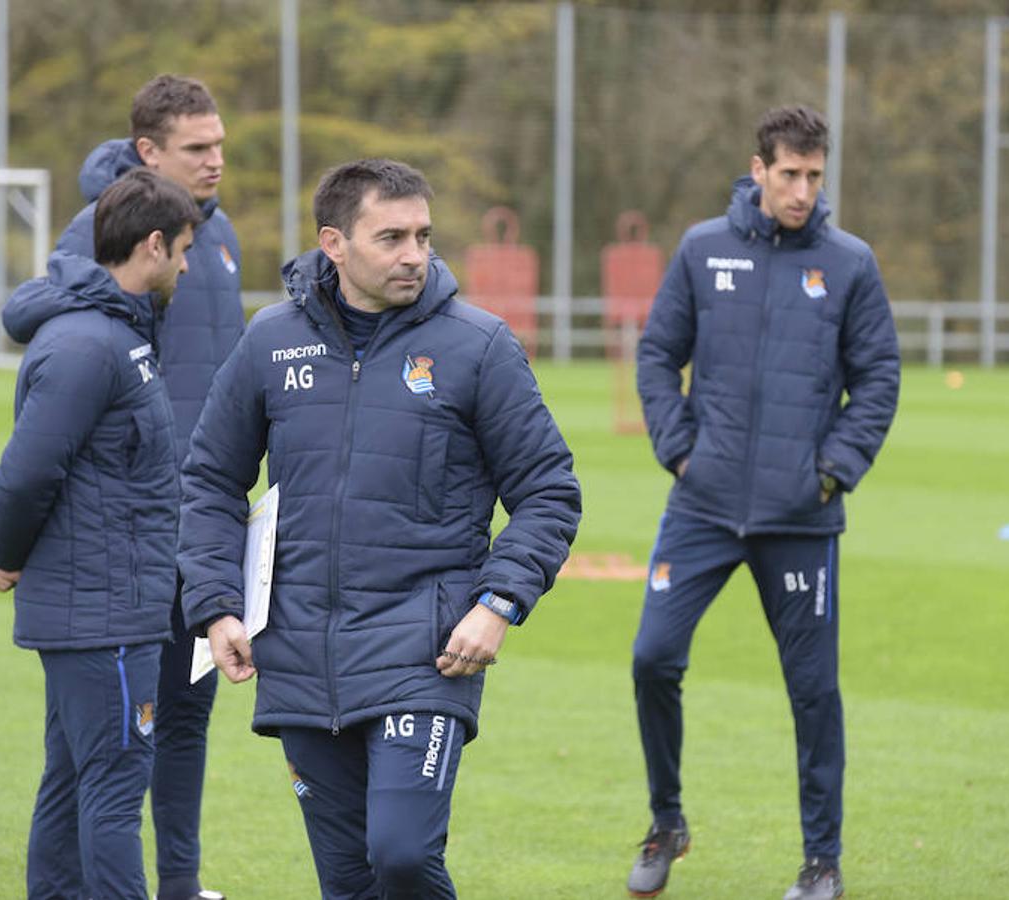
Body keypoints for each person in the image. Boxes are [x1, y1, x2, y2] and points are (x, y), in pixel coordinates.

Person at [177, 158, 581, 899]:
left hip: (424, 654)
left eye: (423, 235)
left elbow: (550, 490)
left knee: (399, 854)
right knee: (349, 882)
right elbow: (207, 478)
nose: (414, 255)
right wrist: (214, 604)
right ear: (334, 243)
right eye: (391, 237)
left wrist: (498, 605)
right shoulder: (271, 341)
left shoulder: (478, 346)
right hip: (298, 654)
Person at [627, 106, 900, 900]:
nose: (803, 191)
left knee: (813, 693)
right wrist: (681, 451)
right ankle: (666, 821)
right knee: (652, 658)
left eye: (816, 176)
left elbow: (878, 376)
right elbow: (657, 355)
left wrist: (832, 471)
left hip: (800, 518)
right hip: (703, 507)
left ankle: (822, 861)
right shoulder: (701, 249)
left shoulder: (849, 263)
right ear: (759, 170)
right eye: (789, 174)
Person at [0, 168, 202, 899]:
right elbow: (23, 475)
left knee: (73, 778)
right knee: (111, 789)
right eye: (185, 250)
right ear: (153, 246)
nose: (189, 266)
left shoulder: (119, 335)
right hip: (102, 615)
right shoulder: (86, 347)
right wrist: (6, 560)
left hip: (110, 603)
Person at [55, 73, 244, 900]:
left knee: (191, 714)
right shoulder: (92, 234)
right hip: (132, 531)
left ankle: (181, 884)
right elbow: (61, 359)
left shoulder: (219, 232)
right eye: (197, 148)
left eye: (220, 145)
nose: (216, 161)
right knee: (103, 738)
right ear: (148, 151)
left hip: (210, 522)